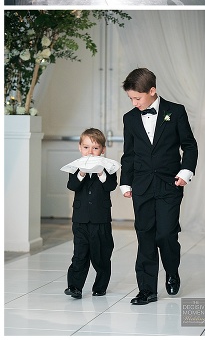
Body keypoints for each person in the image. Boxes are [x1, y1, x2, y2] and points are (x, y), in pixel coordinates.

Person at [120, 68, 198, 305]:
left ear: (152, 91)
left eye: (138, 98)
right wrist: (125, 181)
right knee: (145, 236)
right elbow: (129, 154)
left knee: (166, 234)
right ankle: (147, 290)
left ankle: (172, 271)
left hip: (169, 184)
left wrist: (186, 172)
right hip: (142, 185)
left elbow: (189, 145)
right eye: (131, 99)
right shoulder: (130, 118)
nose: (134, 103)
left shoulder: (175, 112)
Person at [64, 128, 117, 299]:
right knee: (80, 254)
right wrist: (81, 173)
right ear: (80, 148)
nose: (90, 152)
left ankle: (100, 286)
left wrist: (100, 172)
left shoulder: (109, 168)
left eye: (95, 148)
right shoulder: (75, 167)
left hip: (100, 219)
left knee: (101, 255)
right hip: (80, 219)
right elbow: (72, 186)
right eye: (86, 147)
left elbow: (110, 186)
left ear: (103, 150)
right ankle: (75, 287)